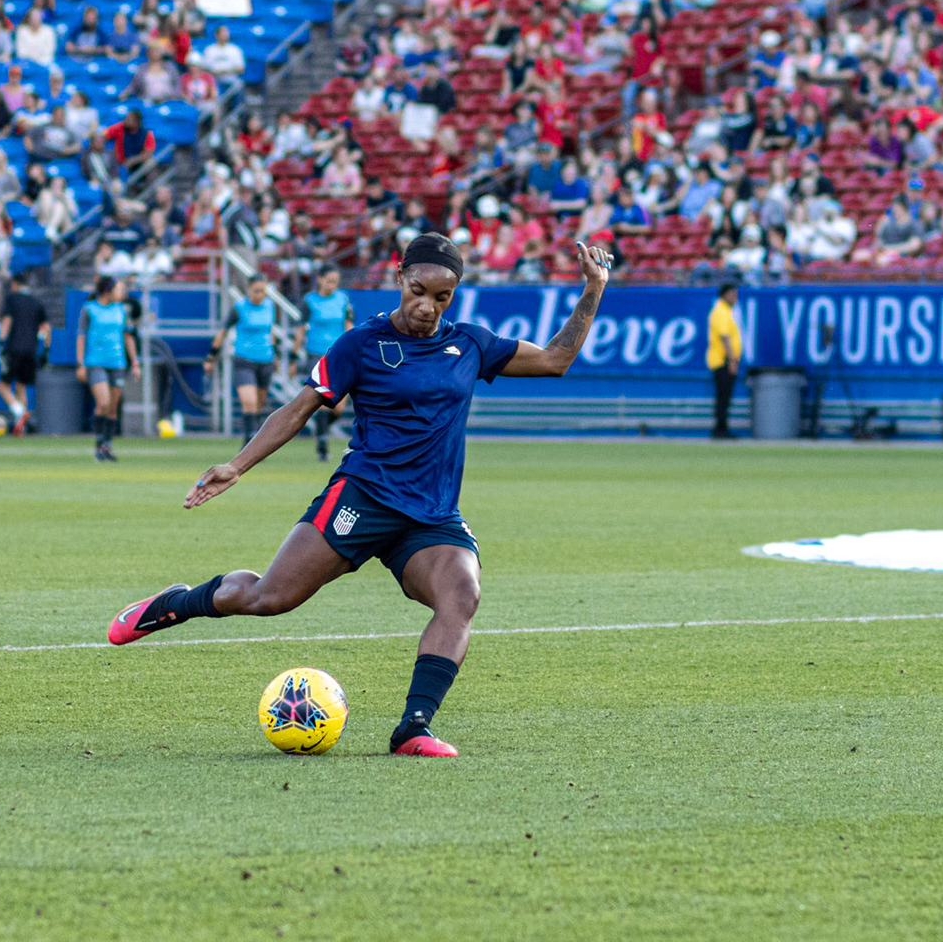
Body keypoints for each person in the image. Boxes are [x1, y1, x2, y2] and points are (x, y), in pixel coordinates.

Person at [106, 235, 613, 759]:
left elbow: (555, 359)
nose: (427, 306)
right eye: (418, 291)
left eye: (442, 297)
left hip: (431, 516)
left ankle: (413, 729)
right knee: (269, 598)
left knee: (461, 596)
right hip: (363, 499)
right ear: (399, 277)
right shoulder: (361, 343)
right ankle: (176, 602)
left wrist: (593, 288)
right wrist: (237, 464)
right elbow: (300, 408)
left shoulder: (471, 344)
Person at [206, 275, 283, 443]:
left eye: (263, 291)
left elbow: (271, 332)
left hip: (266, 360)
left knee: (259, 404)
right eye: (256, 291)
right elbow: (222, 332)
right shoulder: (239, 308)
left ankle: (254, 441)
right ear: (249, 290)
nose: (260, 295)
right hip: (244, 360)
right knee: (249, 401)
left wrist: (276, 355)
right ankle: (249, 442)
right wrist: (211, 357)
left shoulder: (269, 306)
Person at [76, 275, 138, 462]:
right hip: (95, 362)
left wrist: (135, 362)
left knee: (112, 407)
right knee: (103, 402)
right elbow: (81, 337)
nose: (122, 293)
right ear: (107, 291)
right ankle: (98, 445)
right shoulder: (89, 309)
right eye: (118, 289)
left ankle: (107, 446)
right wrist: (80, 364)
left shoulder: (122, 310)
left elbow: (128, 337)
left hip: (117, 362)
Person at [301, 266, 355, 460]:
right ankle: (322, 446)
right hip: (316, 355)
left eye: (335, 281)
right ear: (320, 279)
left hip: (339, 354)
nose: (332, 285)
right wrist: (293, 356)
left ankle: (320, 426)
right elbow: (301, 328)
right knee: (324, 400)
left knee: (338, 406)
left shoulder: (343, 300)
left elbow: (349, 326)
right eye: (329, 280)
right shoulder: (309, 301)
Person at [0, 273, 50, 437]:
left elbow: (7, 321)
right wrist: (46, 350)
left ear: (14, 284)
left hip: (14, 348)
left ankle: (20, 413)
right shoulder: (37, 303)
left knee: (3, 386)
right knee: (21, 386)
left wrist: (1, 341)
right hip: (31, 350)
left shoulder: (12, 299)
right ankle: (22, 428)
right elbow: (47, 328)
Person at [706, 281, 742, 439]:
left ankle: (722, 428)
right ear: (725, 294)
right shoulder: (721, 311)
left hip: (724, 360)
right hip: (723, 360)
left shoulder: (725, 311)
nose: (735, 298)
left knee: (724, 397)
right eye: (733, 294)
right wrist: (732, 360)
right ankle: (720, 429)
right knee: (723, 397)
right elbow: (725, 337)